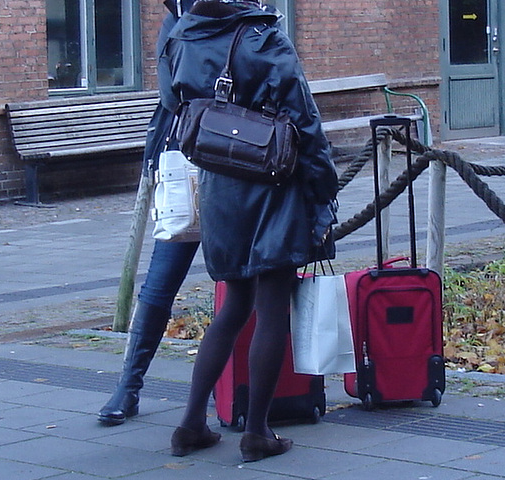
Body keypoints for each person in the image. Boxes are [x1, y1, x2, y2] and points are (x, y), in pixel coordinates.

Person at [160, 0, 338, 462]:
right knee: (272, 308)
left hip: (219, 182)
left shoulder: (182, 36)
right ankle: (257, 431)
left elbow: (173, 105)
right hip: (271, 180)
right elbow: (304, 120)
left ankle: (190, 424)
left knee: (235, 305)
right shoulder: (264, 36)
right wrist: (323, 189)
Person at [97, 0, 199, 427]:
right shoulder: (177, 22)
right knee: (160, 283)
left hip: (237, 164)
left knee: (246, 285)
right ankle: (129, 385)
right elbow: (172, 93)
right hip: (184, 160)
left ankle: (251, 391)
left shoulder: (241, 18)